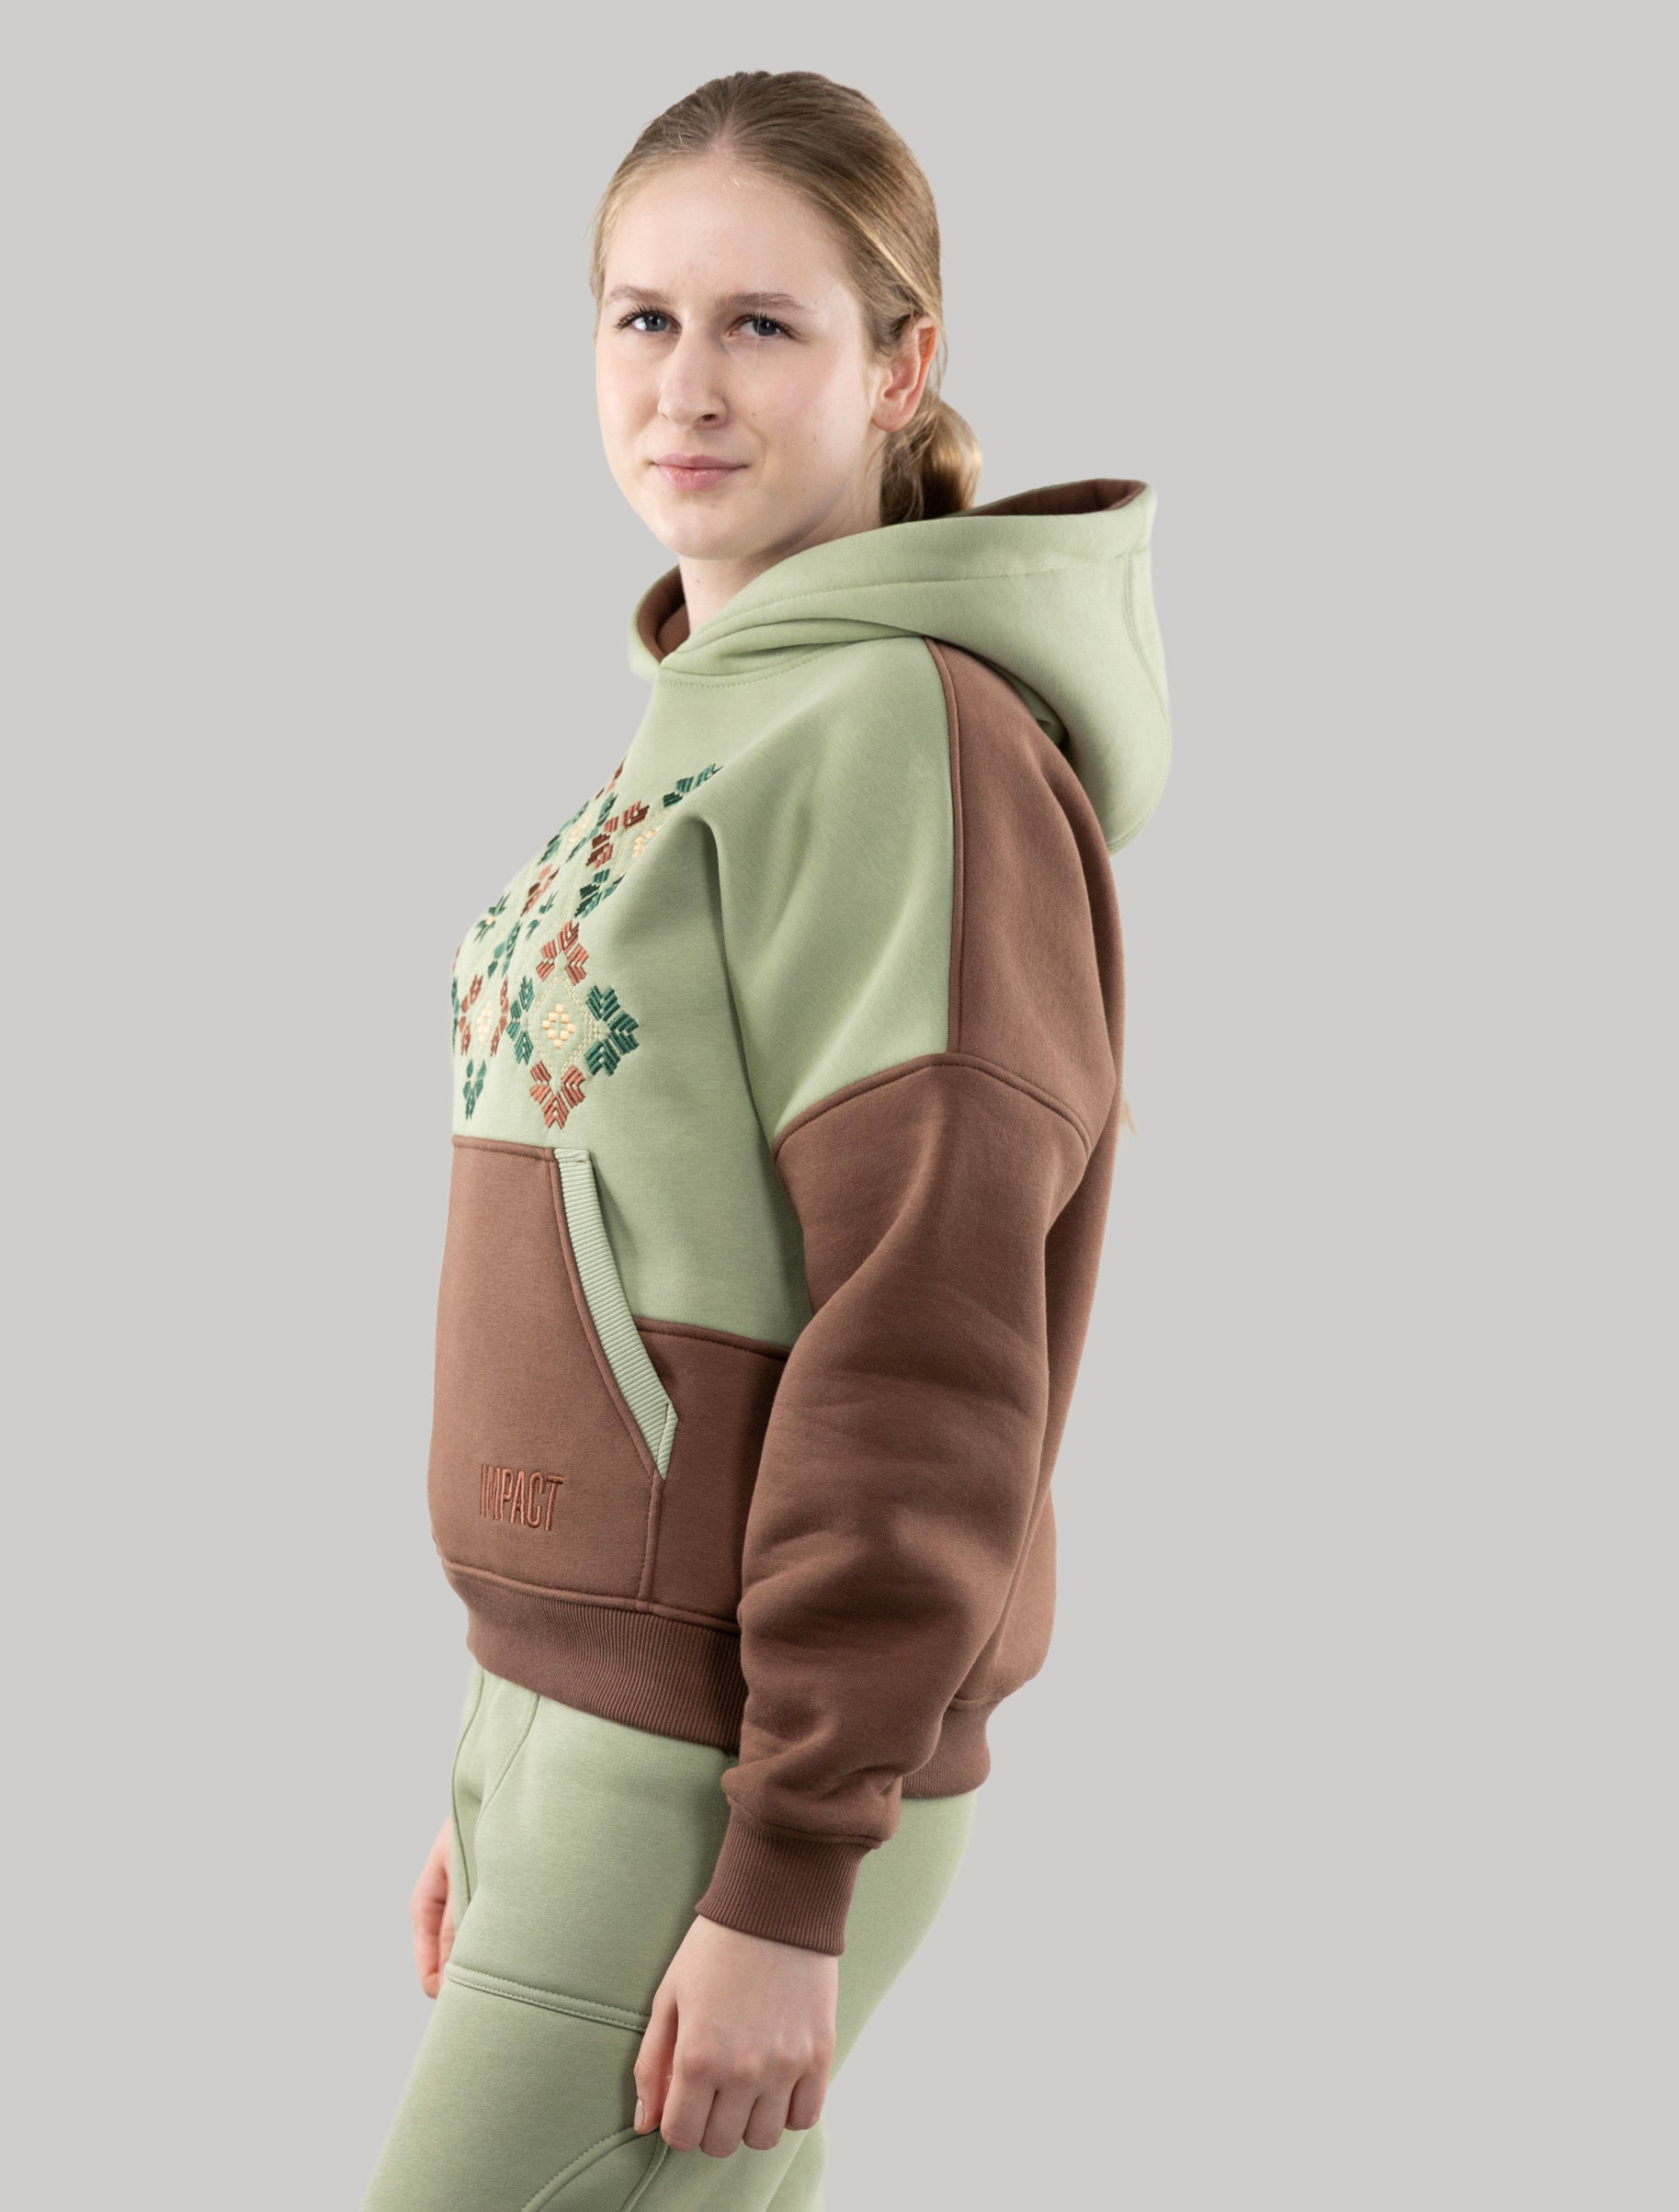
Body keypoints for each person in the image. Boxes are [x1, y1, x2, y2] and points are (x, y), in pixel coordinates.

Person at [359, 66, 1170, 2211]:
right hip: (579, 1731)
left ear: (901, 364)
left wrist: (788, 1868)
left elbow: (930, 1327)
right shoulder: (709, 719)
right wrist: (506, 1746)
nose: (685, 385)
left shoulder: (905, 728)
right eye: (643, 317)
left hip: (724, 1766)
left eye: (761, 324)